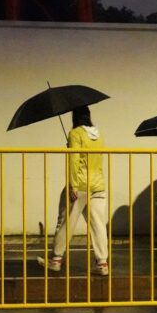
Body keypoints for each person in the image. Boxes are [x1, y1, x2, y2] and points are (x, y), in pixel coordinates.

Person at [44, 106, 109, 276]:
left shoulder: (75, 134)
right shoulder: (99, 135)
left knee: (66, 222)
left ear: (74, 117)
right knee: (98, 226)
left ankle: (56, 260)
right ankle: (102, 263)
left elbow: (74, 160)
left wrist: (73, 184)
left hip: (80, 184)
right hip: (98, 184)